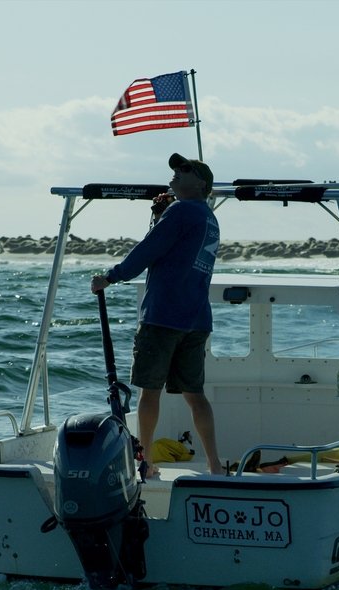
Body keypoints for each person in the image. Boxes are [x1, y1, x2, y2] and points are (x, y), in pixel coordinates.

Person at [91, 153, 222, 476]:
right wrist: (161, 216)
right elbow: (172, 249)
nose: (176, 172)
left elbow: (149, 250)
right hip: (196, 320)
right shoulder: (209, 217)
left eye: (185, 169)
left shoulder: (182, 210)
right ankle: (215, 465)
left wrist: (110, 277)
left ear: (201, 183)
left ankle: (146, 463)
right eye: (175, 169)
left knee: (149, 392)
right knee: (195, 396)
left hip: (163, 315)